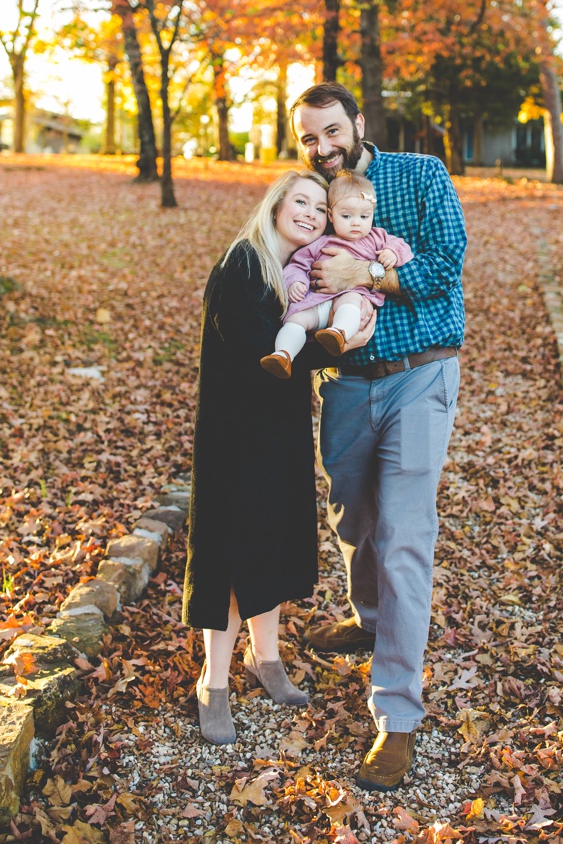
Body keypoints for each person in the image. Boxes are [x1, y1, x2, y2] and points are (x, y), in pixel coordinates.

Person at [290, 82, 466, 791]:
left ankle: (396, 716)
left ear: (358, 123)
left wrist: (367, 271)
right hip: (344, 383)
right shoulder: (309, 195)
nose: (323, 148)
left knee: (403, 536)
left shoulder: (422, 174)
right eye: (309, 138)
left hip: (421, 375)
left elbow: (445, 266)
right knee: (354, 522)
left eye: (332, 131)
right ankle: (369, 619)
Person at [182, 170, 377, 745]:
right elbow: (256, 354)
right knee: (233, 553)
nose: (312, 214)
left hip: (278, 429)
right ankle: (212, 683)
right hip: (235, 436)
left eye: (321, 208)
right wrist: (337, 346)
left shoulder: (294, 273)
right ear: (275, 205)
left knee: (267, 544)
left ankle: (265, 660)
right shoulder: (243, 265)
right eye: (301, 201)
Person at [261, 172, 413, 377]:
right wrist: (296, 282)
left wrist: (393, 253)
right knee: (296, 318)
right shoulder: (320, 242)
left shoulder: (378, 238)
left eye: (364, 216)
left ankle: (338, 333)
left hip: (349, 304)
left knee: (351, 298)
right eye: (347, 216)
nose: (356, 223)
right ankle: (283, 354)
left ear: (372, 214)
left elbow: (403, 247)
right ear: (332, 216)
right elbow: (298, 265)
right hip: (317, 302)